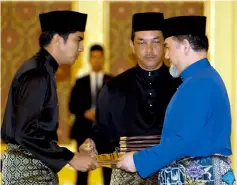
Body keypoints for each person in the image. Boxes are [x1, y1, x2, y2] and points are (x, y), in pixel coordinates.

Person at [117, 16, 236, 185]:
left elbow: (183, 141)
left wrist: (138, 161)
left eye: (167, 47)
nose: (166, 55)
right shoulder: (202, 78)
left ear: (185, 46)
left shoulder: (199, 82)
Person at [81, 12, 181, 185]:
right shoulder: (114, 88)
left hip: (172, 174)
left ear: (165, 44)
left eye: (156, 41)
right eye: (141, 42)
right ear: (132, 45)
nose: (149, 50)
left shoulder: (182, 85)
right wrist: (91, 144)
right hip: (127, 177)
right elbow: (101, 133)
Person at [1, 10, 99, 185]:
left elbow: (37, 133)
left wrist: (72, 154)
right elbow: (26, 132)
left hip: (33, 169)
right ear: (57, 39)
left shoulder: (42, 70)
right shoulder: (38, 74)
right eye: (78, 39)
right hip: (28, 173)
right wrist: (71, 157)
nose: (81, 47)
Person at [69, 44, 113, 185]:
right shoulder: (80, 82)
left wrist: (101, 114)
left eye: (99, 57)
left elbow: (117, 106)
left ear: (103, 58)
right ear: (89, 59)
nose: (97, 60)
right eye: (94, 57)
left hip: (105, 132)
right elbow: (71, 106)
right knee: (82, 172)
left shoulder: (112, 81)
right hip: (84, 131)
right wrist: (84, 112)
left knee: (108, 172)